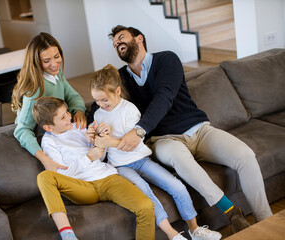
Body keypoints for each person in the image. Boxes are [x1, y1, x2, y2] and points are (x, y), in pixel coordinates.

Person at [103, 25, 273, 233]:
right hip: (165, 140)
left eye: (121, 38)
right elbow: (100, 96)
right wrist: (83, 115)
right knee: (180, 159)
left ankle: (266, 220)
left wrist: (138, 130)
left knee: (246, 155)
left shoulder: (167, 60)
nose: (117, 43)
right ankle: (230, 211)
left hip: (199, 131)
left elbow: (164, 97)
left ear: (139, 39)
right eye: (114, 43)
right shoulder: (121, 78)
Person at [89, 64, 221, 240]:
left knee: (177, 186)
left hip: (141, 159)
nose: (100, 105)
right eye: (97, 101)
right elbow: (103, 154)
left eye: (104, 100)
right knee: (145, 192)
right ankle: (173, 235)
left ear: (118, 91)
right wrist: (98, 139)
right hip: (120, 167)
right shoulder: (98, 116)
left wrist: (109, 140)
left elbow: (134, 143)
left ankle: (195, 230)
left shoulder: (130, 110)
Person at [32, 96, 155, 240]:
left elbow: (100, 158)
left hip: (107, 178)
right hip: (83, 187)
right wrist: (88, 157)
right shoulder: (49, 142)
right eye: (63, 117)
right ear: (48, 127)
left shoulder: (78, 127)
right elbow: (61, 173)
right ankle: (67, 234)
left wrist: (99, 141)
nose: (69, 117)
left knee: (146, 207)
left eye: (67, 112)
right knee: (44, 177)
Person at [11, 32, 87, 171]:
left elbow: (73, 96)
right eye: (47, 61)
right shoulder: (33, 92)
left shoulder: (56, 74)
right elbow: (22, 130)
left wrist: (79, 111)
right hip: (46, 134)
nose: (54, 64)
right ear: (36, 62)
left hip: (60, 127)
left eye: (57, 57)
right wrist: (44, 159)